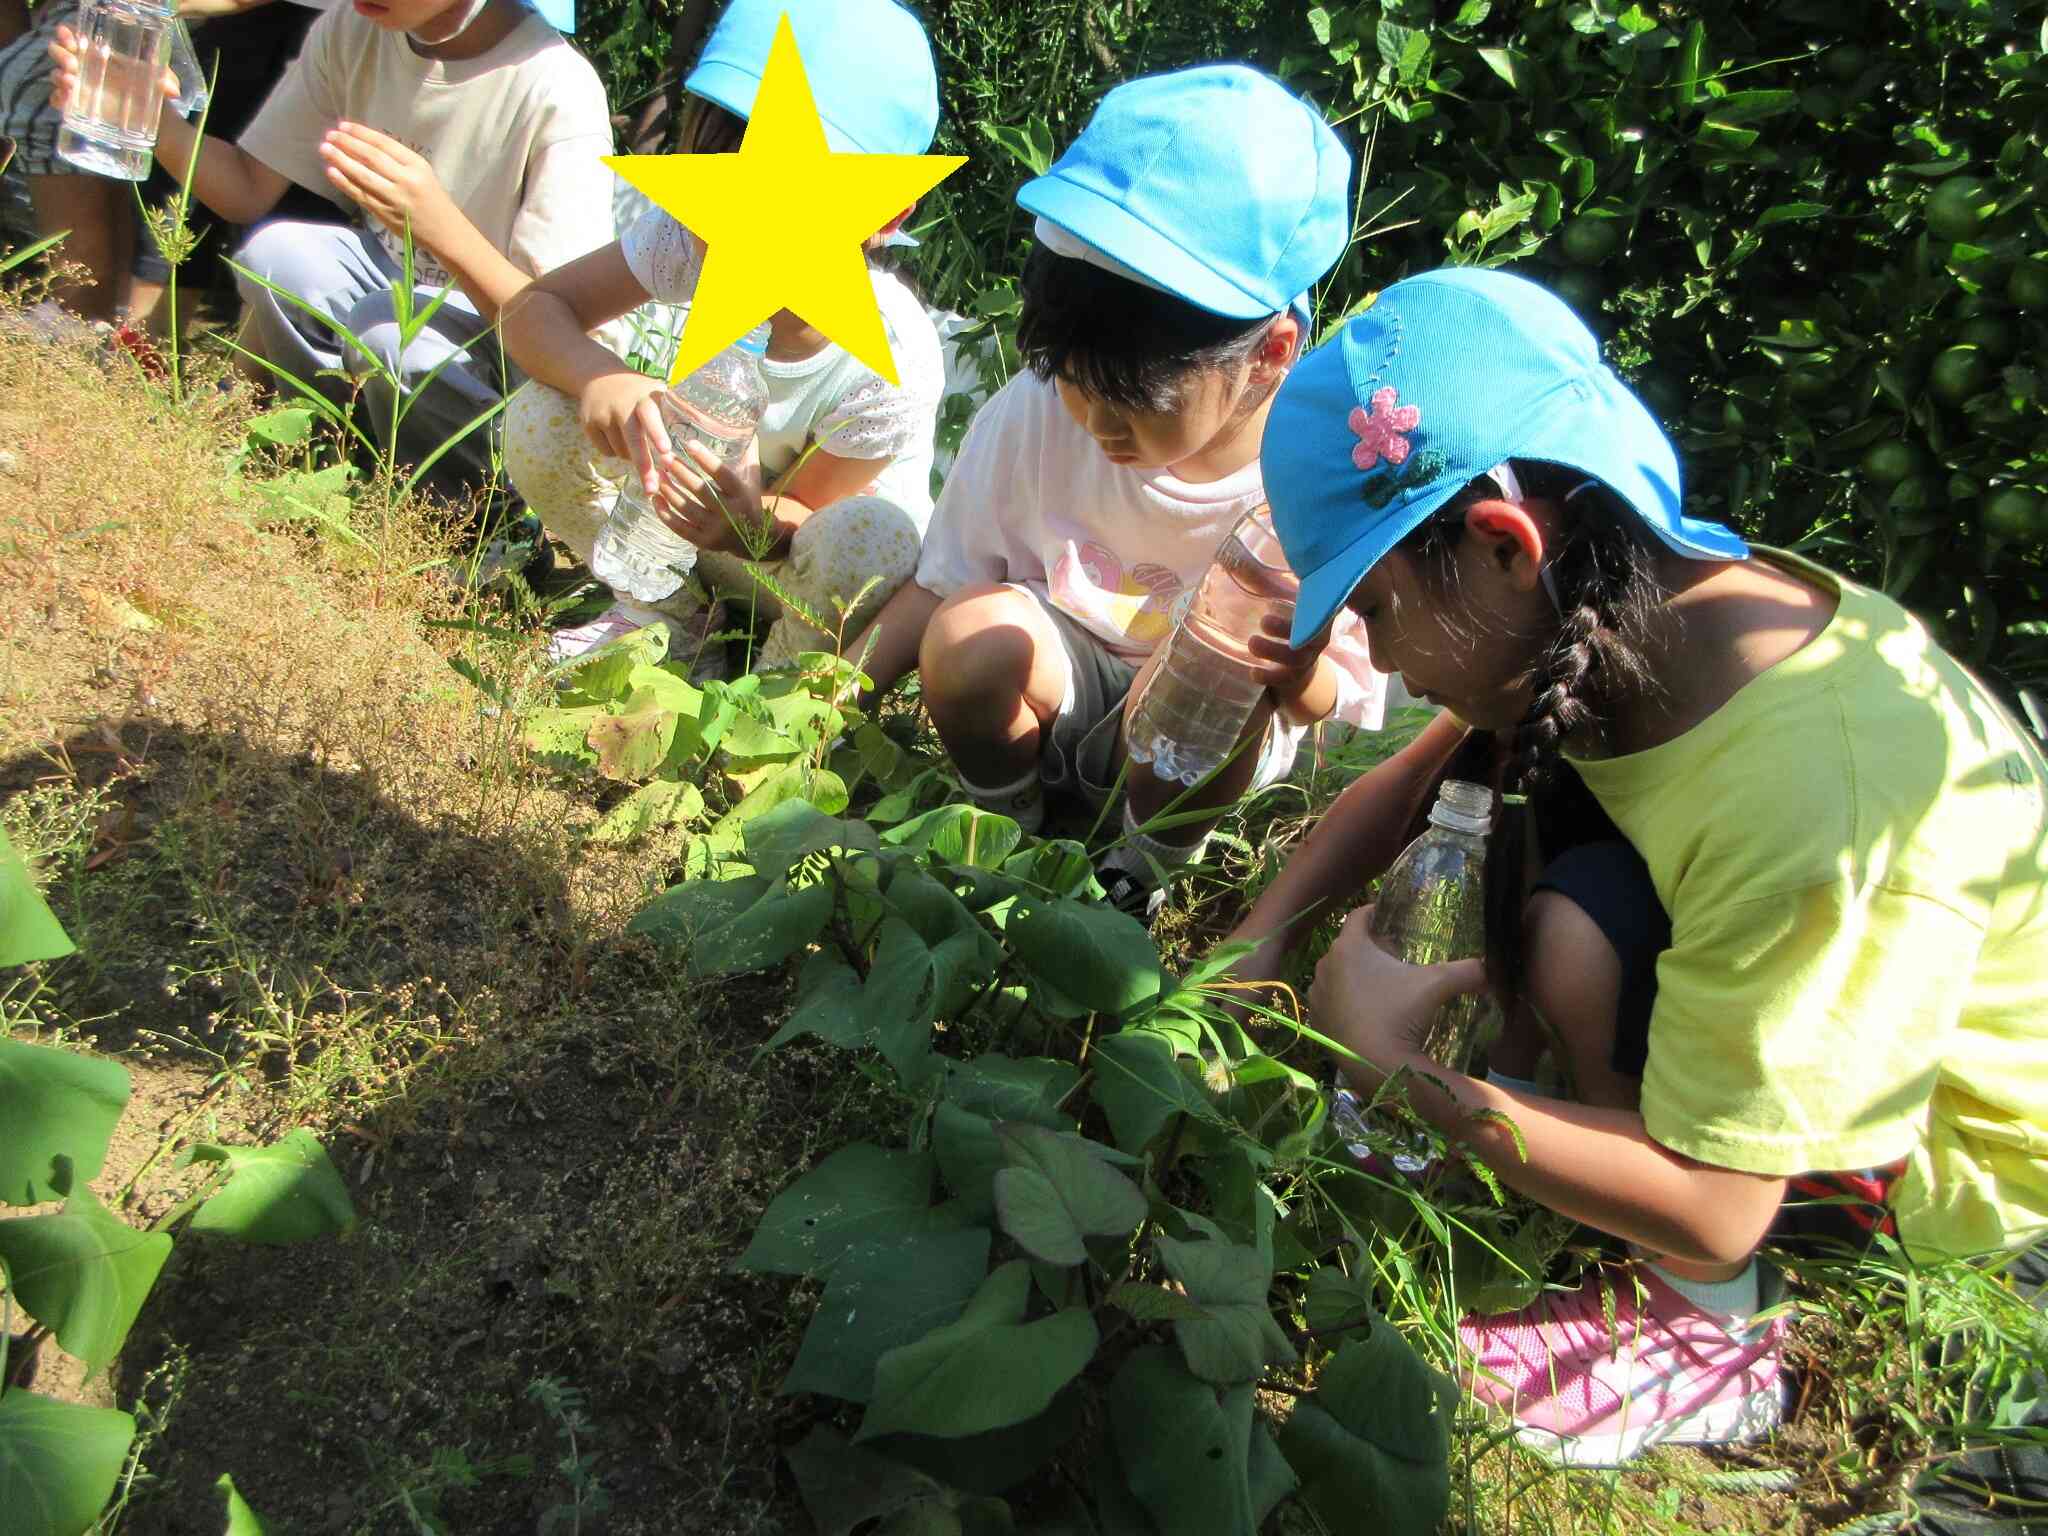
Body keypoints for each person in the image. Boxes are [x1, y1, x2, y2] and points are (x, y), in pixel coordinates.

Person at [1230, 265, 2048, 1484]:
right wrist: (1266, 931)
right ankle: (1583, 1125)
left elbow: (1722, 1200)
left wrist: (1399, 1075)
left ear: (1504, 546)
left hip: (1923, 1165)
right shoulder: (1636, 605)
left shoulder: (1817, 801)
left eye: (1376, 608)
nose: (1378, 653)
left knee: (1567, 928)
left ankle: (1705, 1334)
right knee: (1540, 836)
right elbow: (1410, 779)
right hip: (1782, 987)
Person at [848, 64, 1387, 916]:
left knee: (1213, 677)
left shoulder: (1316, 486)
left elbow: (1332, 706)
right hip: (1066, 674)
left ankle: (1137, 877)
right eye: (1070, 380)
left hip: (1209, 740)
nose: (1098, 428)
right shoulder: (1034, 416)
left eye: (1136, 403)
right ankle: (1014, 839)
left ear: (1271, 353)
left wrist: (1297, 669)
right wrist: (830, 701)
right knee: (966, 636)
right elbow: (940, 586)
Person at [497, 0, 944, 675]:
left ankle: (769, 693)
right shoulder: (686, 239)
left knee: (871, 540)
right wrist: (600, 377)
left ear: (884, 214)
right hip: (689, 531)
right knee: (541, 414)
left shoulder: (891, 358)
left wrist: (747, 526)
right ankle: (668, 619)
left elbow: (811, 515)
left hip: (801, 573)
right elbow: (535, 311)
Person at [46, 0, 618, 503]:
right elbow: (246, 189)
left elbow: (567, 323)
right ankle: (331, 465)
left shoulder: (556, 90)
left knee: (394, 336)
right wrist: (149, 115)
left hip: (515, 351)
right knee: (280, 254)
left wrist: (439, 226)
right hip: (392, 299)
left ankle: (474, 523)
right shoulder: (353, 28)